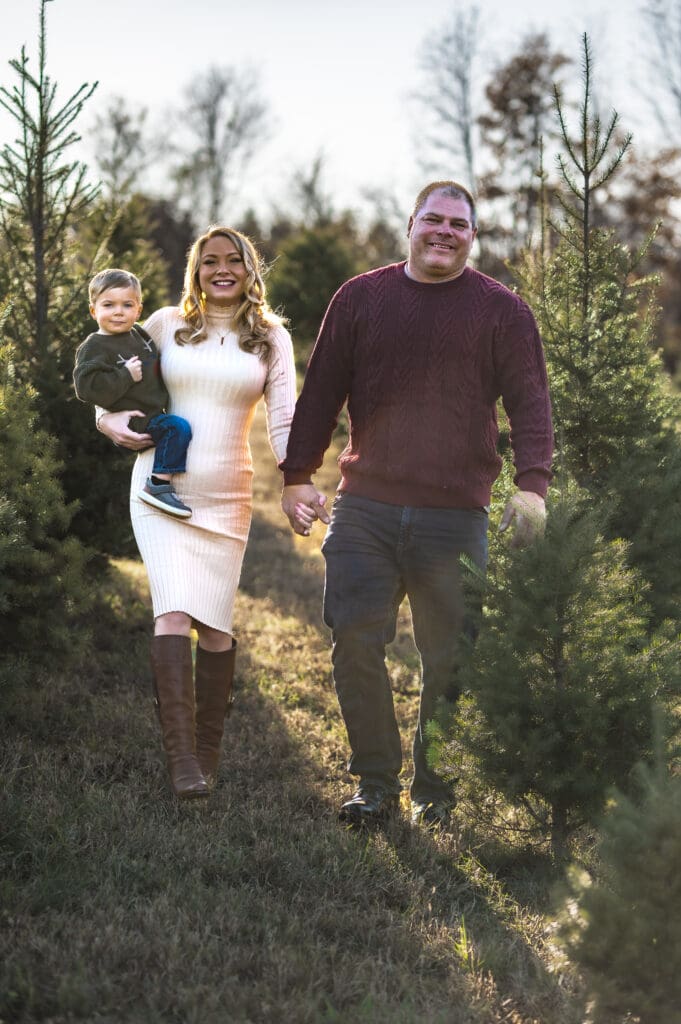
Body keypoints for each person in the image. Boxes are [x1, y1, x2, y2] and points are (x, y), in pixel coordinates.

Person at [280, 180, 553, 830]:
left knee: (450, 657)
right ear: (410, 224)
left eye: (458, 224)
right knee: (354, 642)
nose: (444, 231)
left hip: (454, 517)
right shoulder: (361, 298)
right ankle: (374, 784)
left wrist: (531, 485)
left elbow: (530, 401)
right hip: (365, 507)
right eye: (433, 219)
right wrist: (297, 475)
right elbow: (320, 391)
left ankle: (435, 790)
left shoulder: (501, 310)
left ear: (472, 236)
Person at [96, 228, 296, 800]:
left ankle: (207, 754)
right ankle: (182, 761)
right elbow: (107, 386)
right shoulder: (162, 325)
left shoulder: (270, 338)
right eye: (211, 262)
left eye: (234, 260)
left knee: (215, 626)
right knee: (174, 614)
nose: (222, 270)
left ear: (250, 268)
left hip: (228, 495)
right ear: (196, 270)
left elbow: (283, 420)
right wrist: (109, 424)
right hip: (160, 491)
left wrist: (297, 480)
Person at [74, 268, 194, 518]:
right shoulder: (94, 347)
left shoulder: (139, 333)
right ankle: (158, 485)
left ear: (138, 310)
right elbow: (86, 388)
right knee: (178, 428)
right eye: (109, 305)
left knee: (176, 428)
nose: (118, 311)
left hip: (153, 412)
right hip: (136, 420)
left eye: (127, 305)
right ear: (93, 310)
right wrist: (125, 376)